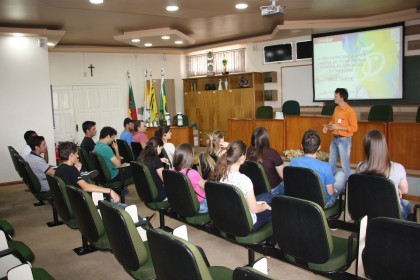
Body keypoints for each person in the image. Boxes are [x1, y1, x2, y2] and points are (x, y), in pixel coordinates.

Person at [55, 141, 156, 224]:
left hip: (74, 201)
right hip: (83, 203)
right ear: (71, 155)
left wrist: (77, 170)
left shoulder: (60, 169)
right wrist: (109, 191)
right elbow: (85, 187)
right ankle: (142, 222)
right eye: (76, 154)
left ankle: (141, 220)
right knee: (120, 206)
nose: (77, 156)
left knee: (110, 200)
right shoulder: (70, 170)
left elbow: (73, 181)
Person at [210, 140, 273, 230]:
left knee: (267, 196)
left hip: (229, 216)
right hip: (246, 223)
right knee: (275, 206)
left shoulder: (220, 175)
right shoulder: (245, 180)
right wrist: (265, 206)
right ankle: (271, 241)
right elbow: (254, 210)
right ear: (243, 158)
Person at [356, 130, 412, 220]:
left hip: (367, 211)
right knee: (408, 205)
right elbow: (404, 190)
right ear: (384, 147)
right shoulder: (398, 167)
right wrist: (394, 188)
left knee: (406, 204)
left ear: (366, 147)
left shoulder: (360, 167)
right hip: (392, 215)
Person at [290, 130, 346, 208]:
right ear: (319, 147)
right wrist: (334, 190)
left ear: (301, 146)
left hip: (299, 200)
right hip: (320, 204)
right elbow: (330, 193)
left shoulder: (293, 162)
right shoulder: (325, 166)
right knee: (341, 174)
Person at [322, 88, 358, 182]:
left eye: (336, 96)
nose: (334, 98)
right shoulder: (336, 109)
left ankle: (347, 184)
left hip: (344, 140)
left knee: (344, 164)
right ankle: (331, 182)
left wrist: (338, 127)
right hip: (335, 139)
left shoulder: (350, 111)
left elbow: (354, 128)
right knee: (331, 162)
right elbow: (333, 121)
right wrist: (328, 126)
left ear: (341, 98)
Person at [246, 127, 284, 196]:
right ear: (266, 139)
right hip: (272, 190)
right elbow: (282, 175)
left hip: (254, 188)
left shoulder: (248, 151)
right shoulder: (272, 153)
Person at [173, 143, 208, 213]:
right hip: (201, 206)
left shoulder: (172, 170)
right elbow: (207, 187)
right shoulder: (192, 173)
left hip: (183, 204)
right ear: (190, 156)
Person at [137, 137, 167, 202]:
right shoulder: (156, 160)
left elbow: (150, 165)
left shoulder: (141, 157)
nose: (161, 151)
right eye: (161, 148)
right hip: (159, 194)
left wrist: (159, 160)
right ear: (158, 146)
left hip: (146, 193)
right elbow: (165, 180)